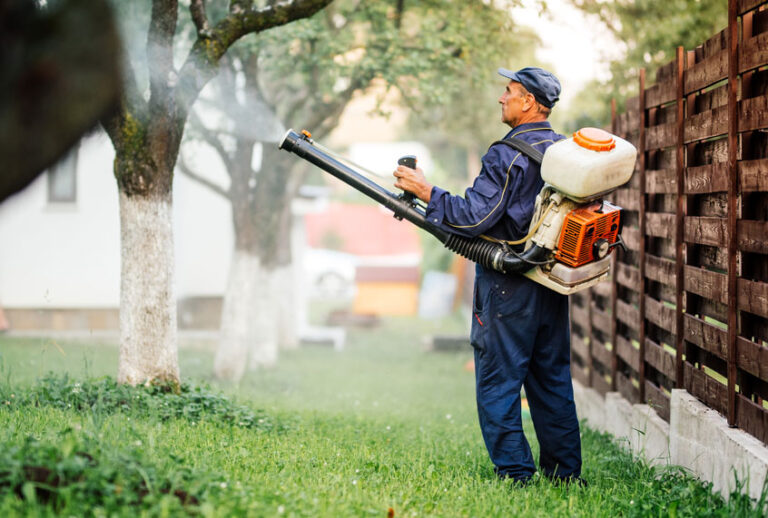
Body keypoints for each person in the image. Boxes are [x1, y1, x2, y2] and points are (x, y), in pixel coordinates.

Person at [393, 67, 583, 485]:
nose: (502, 98)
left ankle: (516, 474)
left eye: (509, 91)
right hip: (550, 282)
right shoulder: (563, 152)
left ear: (529, 102)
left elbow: (473, 218)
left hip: (508, 285)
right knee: (551, 378)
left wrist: (426, 191)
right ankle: (566, 475)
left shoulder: (507, 153)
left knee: (498, 379)